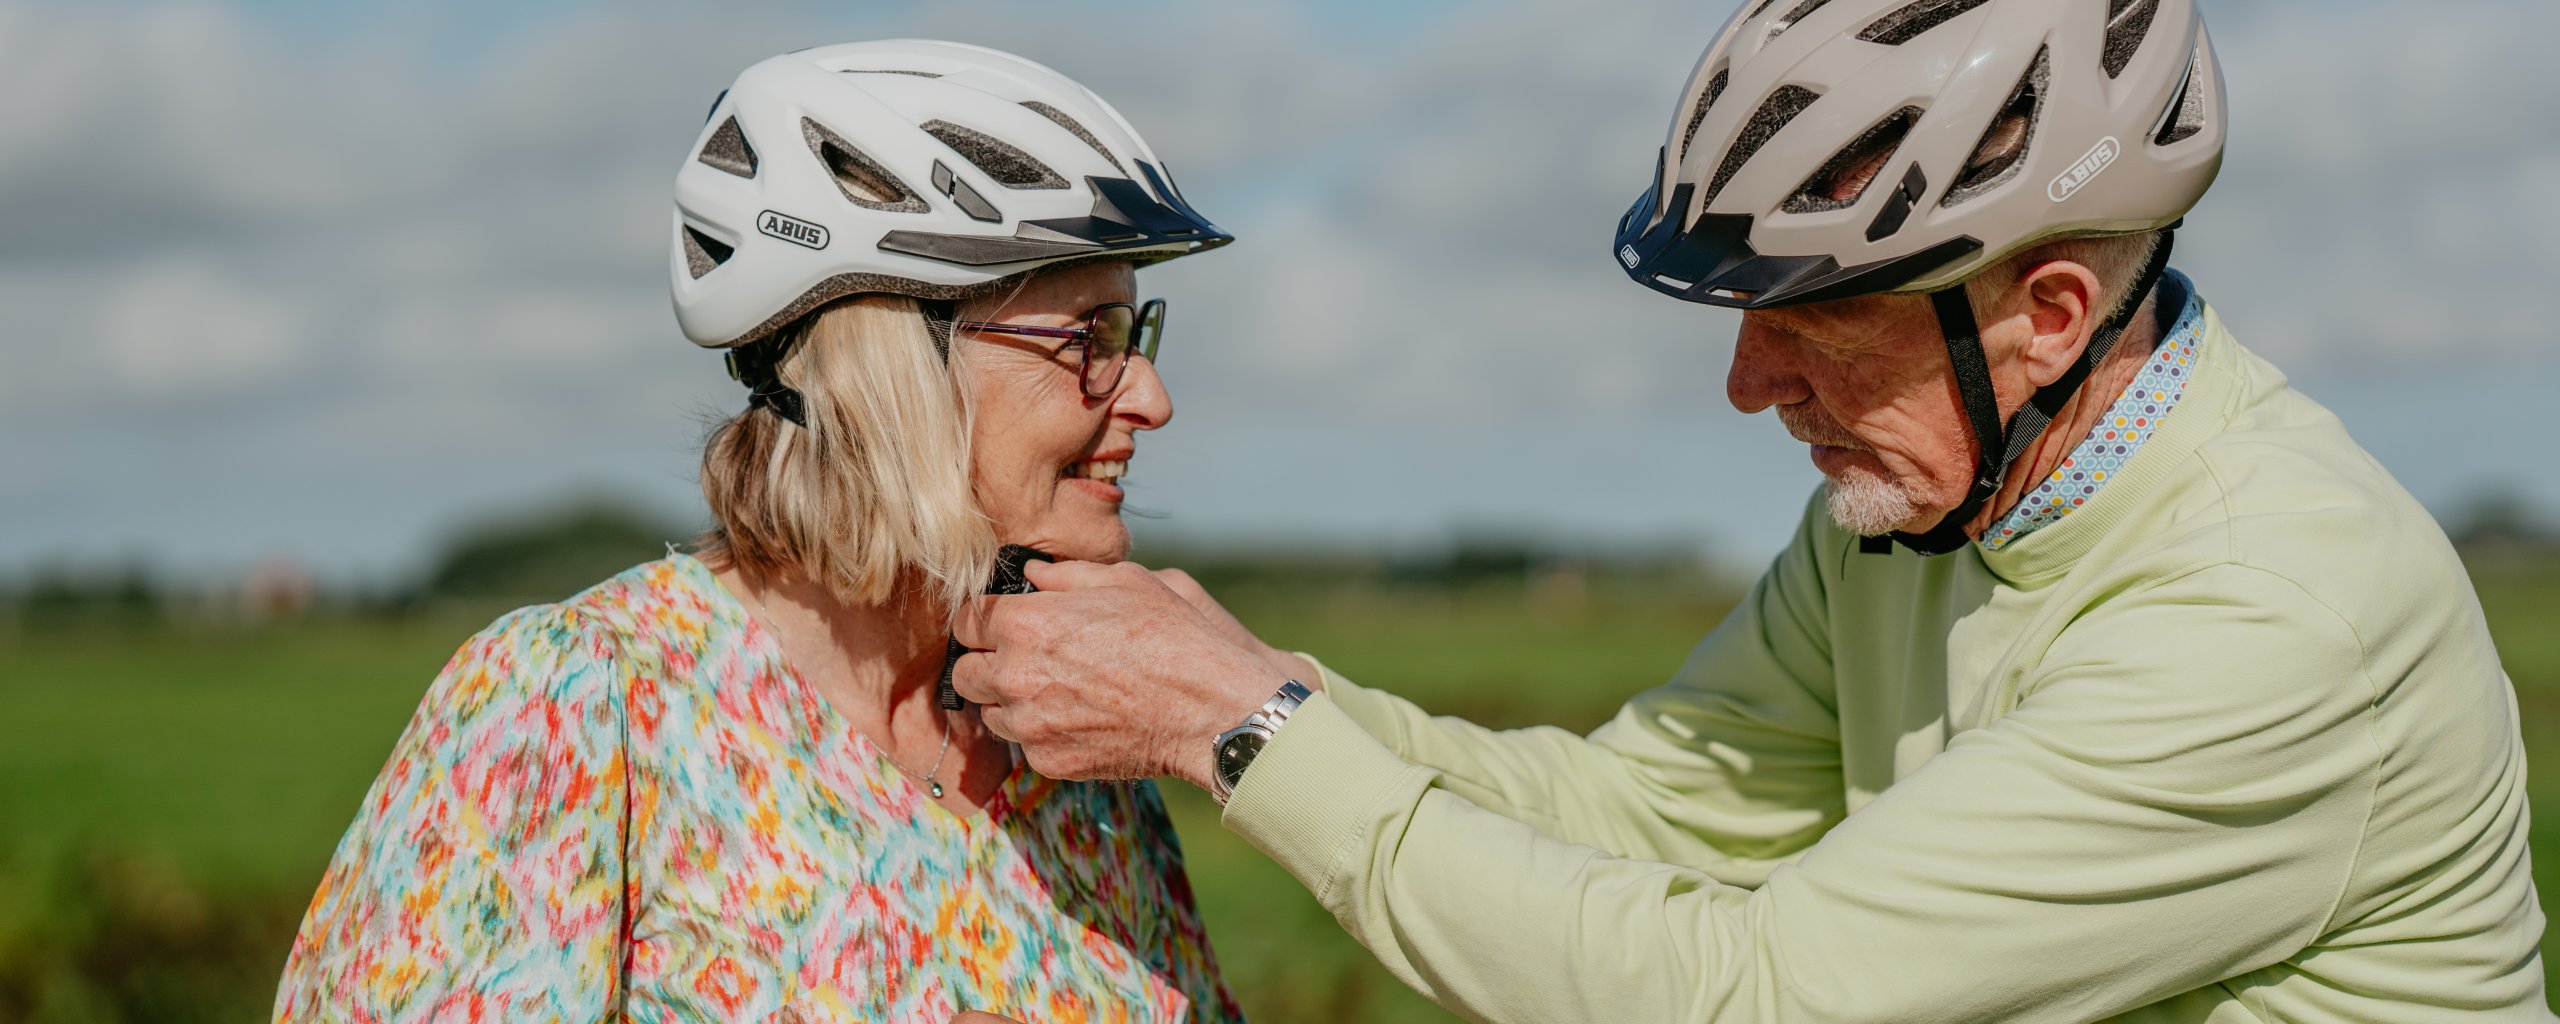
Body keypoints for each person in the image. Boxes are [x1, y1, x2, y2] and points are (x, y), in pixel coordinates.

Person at [949, 2, 2554, 1020]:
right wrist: (1255, 682)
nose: (1745, 381)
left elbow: (1762, 996)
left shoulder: (2267, 615)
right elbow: (1646, 817)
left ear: (2049, 314)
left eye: (1816, 319)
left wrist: (1245, 733)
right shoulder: (1929, 499)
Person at [273, 40, 1244, 1024]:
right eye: (1092, 339)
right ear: (895, 370)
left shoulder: (1072, 734)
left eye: (1135, 332)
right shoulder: (582, 705)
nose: (1151, 399)